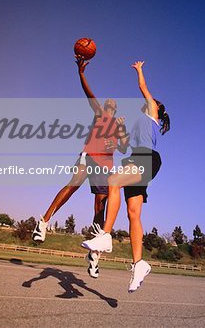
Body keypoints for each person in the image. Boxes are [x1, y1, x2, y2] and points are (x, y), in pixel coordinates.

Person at [32, 57, 128, 278]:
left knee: (99, 209)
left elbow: (123, 148)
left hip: (106, 166)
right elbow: (89, 94)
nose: (110, 106)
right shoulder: (99, 115)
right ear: (106, 107)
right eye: (108, 104)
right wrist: (81, 73)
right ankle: (44, 222)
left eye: (113, 105)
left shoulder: (119, 126)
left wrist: (120, 135)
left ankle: (94, 253)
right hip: (89, 157)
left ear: (116, 109)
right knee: (73, 184)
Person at [81, 61, 170, 292]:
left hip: (146, 158)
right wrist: (119, 132)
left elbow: (143, 88)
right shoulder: (141, 122)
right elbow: (124, 146)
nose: (149, 101)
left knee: (113, 181)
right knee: (133, 214)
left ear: (156, 109)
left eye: (152, 101)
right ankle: (139, 264)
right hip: (136, 159)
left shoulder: (151, 112)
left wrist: (140, 70)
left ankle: (106, 235)